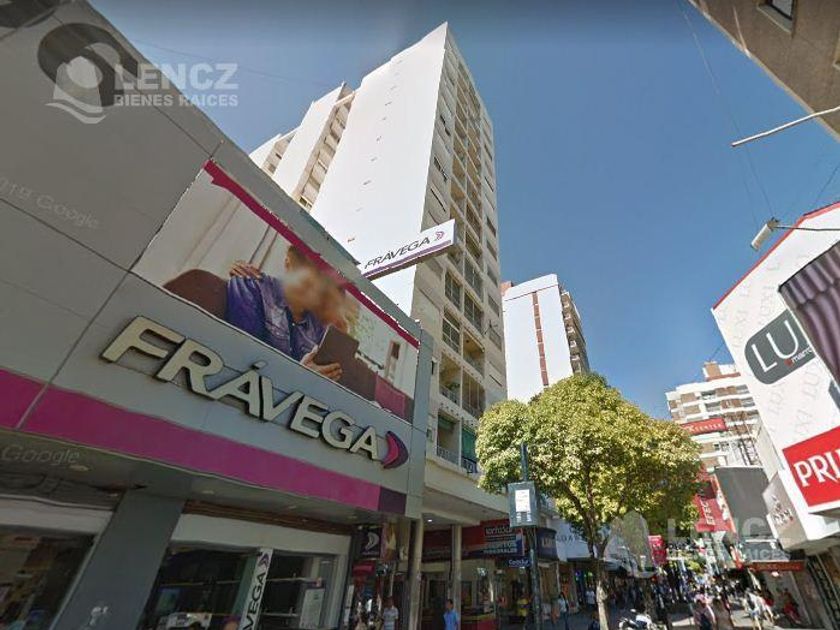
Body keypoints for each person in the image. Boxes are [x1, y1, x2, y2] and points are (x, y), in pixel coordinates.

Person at [226, 249, 341, 380]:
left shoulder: (318, 326)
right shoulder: (252, 286)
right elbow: (241, 361)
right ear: (288, 263)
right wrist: (300, 375)